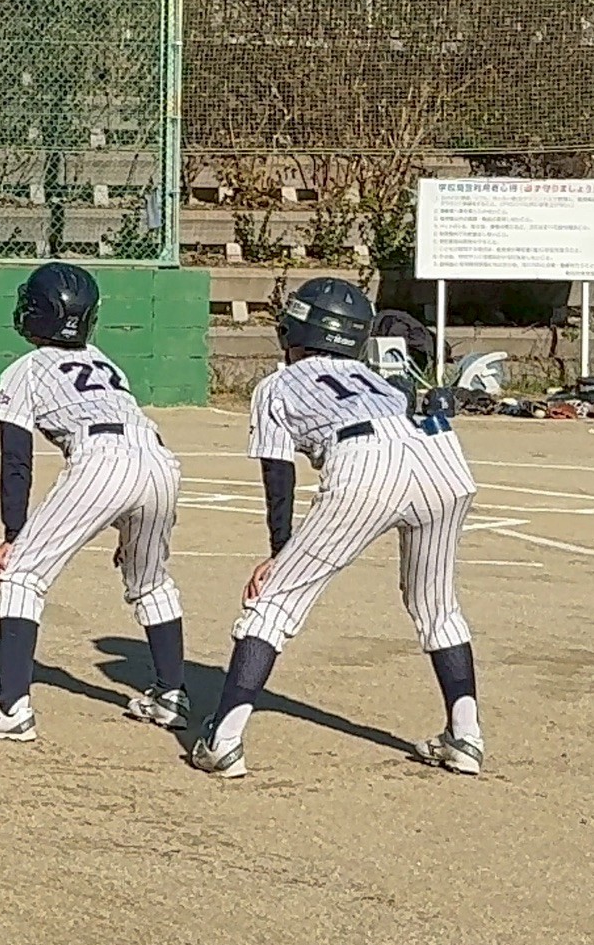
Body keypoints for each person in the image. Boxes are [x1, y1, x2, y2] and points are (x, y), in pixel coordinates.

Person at [187, 277, 483, 782]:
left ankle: (223, 741)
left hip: (367, 463)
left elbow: (278, 474)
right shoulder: (378, 379)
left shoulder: (277, 385)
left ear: (294, 330)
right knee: (438, 608)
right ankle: (466, 737)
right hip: (443, 458)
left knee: (274, 604)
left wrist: (279, 553)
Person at [0, 263, 186, 744]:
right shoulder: (106, 363)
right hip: (159, 461)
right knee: (151, 582)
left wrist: (14, 535)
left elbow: (16, 460)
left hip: (101, 460)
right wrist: (133, 525)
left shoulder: (25, 370)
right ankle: (170, 695)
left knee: (21, 575)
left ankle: (12, 708)